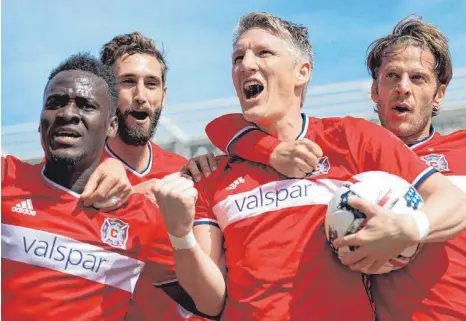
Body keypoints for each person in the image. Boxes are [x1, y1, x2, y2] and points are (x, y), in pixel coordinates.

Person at [151, 12, 466, 321]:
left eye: (264, 53)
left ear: (302, 71)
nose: (246, 64)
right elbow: (210, 302)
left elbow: (452, 199)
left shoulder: (351, 138)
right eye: (237, 58)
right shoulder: (211, 175)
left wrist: (406, 229)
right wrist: (181, 238)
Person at [1, 53, 174, 320]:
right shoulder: (7, 179)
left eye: (85, 106)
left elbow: (208, 300)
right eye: (55, 103)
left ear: (112, 125)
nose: (67, 113)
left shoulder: (143, 217)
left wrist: (184, 234)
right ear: (39, 121)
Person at [89, 32, 216, 320]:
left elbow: (211, 288)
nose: (141, 96)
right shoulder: (76, 167)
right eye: (128, 82)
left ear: (164, 95)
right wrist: (132, 196)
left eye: (151, 84)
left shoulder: (187, 173)